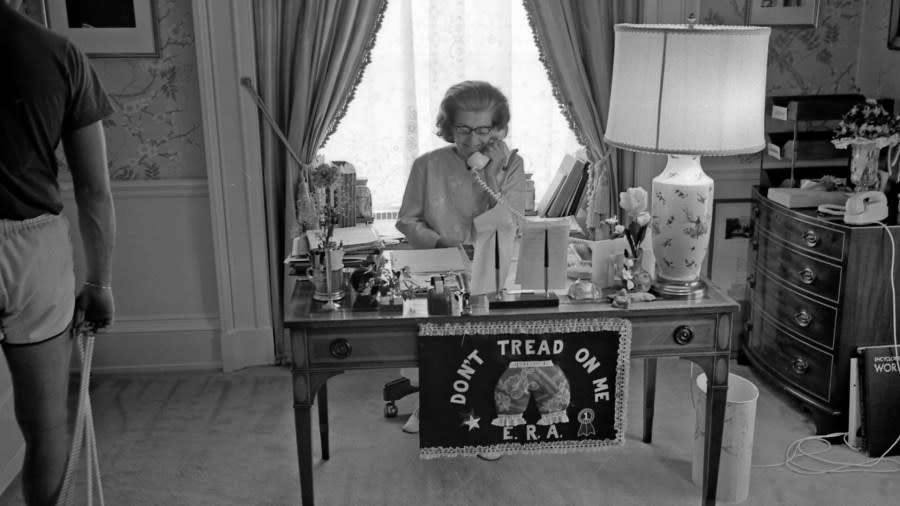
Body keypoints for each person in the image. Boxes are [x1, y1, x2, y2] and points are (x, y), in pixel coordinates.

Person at [1, 2, 116, 504]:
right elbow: (94, 190)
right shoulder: (61, 54)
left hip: (35, 248)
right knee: (46, 426)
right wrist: (100, 281)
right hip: (33, 250)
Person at [394, 81, 526, 449]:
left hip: (492, 264)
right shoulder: (428, 165)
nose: (471, 139)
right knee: (437, 340)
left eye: (483, 130)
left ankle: (492, 417)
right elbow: (407, 220)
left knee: (489, 345)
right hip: (438, 264)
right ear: (448, 127)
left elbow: (510, 221)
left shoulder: (512, 164)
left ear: (499, 129)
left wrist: (493, 174)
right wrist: (442, 243)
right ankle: (429, 402)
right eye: (462, 129)